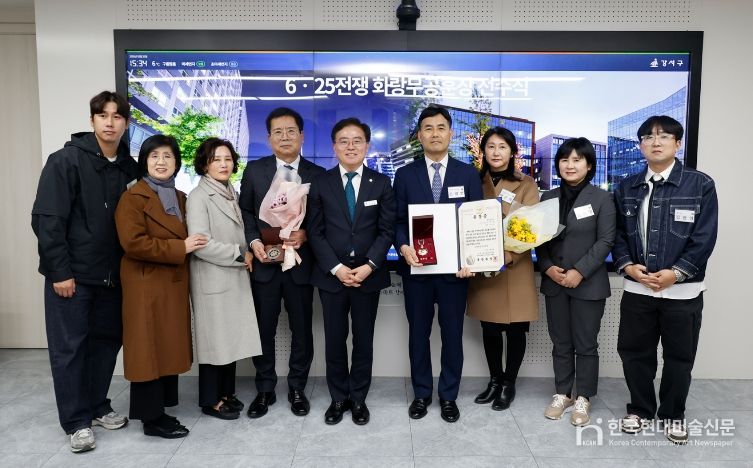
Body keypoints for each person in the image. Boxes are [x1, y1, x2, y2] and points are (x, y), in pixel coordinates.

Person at [31, 91, 137, 453]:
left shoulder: (129, 168)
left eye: (117, 116)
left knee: (106, 344)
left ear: (126, 123)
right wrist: (59, 271)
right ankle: (77, 421)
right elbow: (48, 221)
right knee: (70, 349)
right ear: (92, 120)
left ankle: (96, 405)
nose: (110, 122)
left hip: (113, 277)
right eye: (103, 115)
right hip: (72, 277)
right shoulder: (65, 161)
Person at [613, 115, 718, 444]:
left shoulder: (700, 184)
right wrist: (628, 266)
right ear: (640, 145)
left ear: (678, 143)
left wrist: (676, 272)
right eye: (648, 137)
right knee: (634, 352)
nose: (655, 142)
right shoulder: (627, 186)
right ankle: (640, 409)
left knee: (679, 358)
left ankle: (673, 414)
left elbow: (704, 237)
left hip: (682, 292)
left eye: (664, 136)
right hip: (638, 288)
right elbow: (618, 234)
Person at [393, 105, 483, 423]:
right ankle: (421, 393)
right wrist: (403, 246)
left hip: (454, 273)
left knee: (452, 335)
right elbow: (397, 220)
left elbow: (475, 222)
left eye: (441, 127)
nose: (435, 133)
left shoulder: (467, 174)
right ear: (419, 136)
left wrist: (471, 260)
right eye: (428, 128)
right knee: (418, 335)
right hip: (417, 270)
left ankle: (448, 395)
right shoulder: (405, 175)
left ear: (450, 133)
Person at [115, 134, 205, 439]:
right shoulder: (132, 197)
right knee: (147, 351)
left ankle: (162, 408)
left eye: (167, 156)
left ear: (177, 162)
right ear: (144, 162)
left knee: (165, 346)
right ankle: (151, 418)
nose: (161, 162)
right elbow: (133, 243)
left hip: (171, 283)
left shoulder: (180, 197)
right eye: (154, 156)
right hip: (145, 283)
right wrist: (181, 247)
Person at [307, 118, 396, 425]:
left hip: (367, 277)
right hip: (332, 277)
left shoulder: (381, 182)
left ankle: (358, 398)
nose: (350, 146)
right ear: (334, 146)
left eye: (357, 140)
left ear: (367, 146)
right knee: (334, 340)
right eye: (343, 141)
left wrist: (369, 266)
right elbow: (314, 231)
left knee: (363, 340)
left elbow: (386, 231)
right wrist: (336, 267)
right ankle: (338, 398)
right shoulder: (321, 182)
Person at [239, 107, 325, 418]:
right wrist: (254, 242)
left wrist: (306, 234)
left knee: (302, 329)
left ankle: (297, 387)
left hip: (300, 264)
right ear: (269, 138)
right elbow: (245, 212)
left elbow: (323, 219)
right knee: (264, 329)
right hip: (265, 263)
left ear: (301, 136)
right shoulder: (255, 171)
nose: (285, 137)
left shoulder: (318, 174)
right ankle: (265, 389)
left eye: (291, 131)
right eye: (278, 132)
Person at [537, 137, 616, 426]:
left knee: (585, 344)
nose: (570, 165)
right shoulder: (547, 197)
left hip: (588, 283)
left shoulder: (603, 198)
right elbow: (538, 239)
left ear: (589, 165)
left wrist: (579, 271)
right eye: (564, 159)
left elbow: (606, 240)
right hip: (554, 282)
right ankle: (563, 393)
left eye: (577, 159)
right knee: (560, 342)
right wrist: (547, 268)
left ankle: (583, 396)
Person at [186, 138, 263, 420]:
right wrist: (239, 254)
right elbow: (200, 244)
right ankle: (211, 400)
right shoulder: (198, 197)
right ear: (204, 164)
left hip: (232, 275)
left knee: (229, 339)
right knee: (214, 342)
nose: (223, 164)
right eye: (216, 159)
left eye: (227, 159)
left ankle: (226, 393)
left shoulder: (231, 191)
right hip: (213, 276)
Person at [466, 127, 539, 412]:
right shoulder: (473, 181)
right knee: (490, 328)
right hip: (484, 268)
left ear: (512, 152)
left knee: (516, 329)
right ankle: (495, 380)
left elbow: (531, 228)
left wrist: (508, 255)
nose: (496, 152)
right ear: (482, 151)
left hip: (515, 267)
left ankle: (509, 383)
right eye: (491, 146)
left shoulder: (526, 183)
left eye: (503, 147)